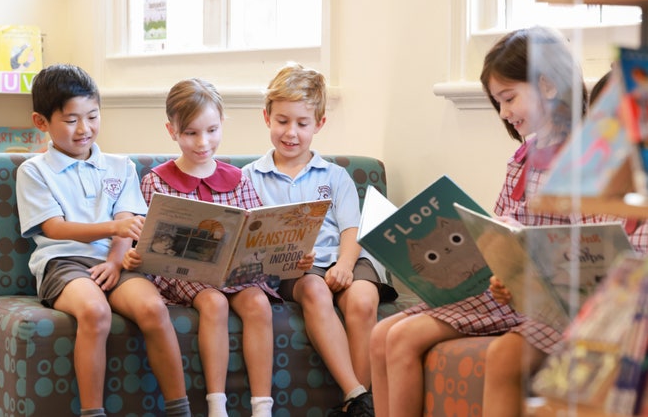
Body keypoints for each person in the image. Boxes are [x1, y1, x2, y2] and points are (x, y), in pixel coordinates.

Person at [368, 26, 648, 417]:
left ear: (548, 86)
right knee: (384, 334)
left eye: (508, 98)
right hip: (511, 292)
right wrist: (496, 254)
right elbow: (500, 226)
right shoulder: (523, 157)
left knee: (419, 342)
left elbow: (593, 245)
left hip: (560, 302)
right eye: (498, 102)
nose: (504, 113)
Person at [15, 64, 191, 417]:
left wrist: (114, 260)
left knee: (154, 309)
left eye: (92, 116)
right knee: (95, 313)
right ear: (41, 122)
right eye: (71, 120)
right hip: (62, 263)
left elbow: (128, 220)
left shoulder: (120, 166)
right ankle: (92, 412)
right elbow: (54, 228)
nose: (84, 129)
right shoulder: (34, 171)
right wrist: (111, 229)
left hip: (113, 261)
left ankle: (180, 410)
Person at [122, 78, 295, 417]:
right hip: (187, 276)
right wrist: (134, 254)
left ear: (222, 124)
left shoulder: (239, 177)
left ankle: (263, 407)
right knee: (213, 303)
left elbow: (257, 231)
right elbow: (143, 241)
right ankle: (217, 406)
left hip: (236, 272)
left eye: (212, 130)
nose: (203, 142)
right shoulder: (156, 180)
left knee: (258, 303)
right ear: (172, 131)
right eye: (191, 133)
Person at [242, 62, 398, 417]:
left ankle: (355, 408)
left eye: (302, 123)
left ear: (319, 124)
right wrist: (285, 259)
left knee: (361, 298)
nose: (291, 133)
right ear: (266, 117)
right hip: (296, 268)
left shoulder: (335, 175)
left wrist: (345, 265)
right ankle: (356, 395)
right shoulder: (249, 176)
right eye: (282, 121)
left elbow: (351, 229)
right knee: (314, 290)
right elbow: (250, 238)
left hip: (345, 256)